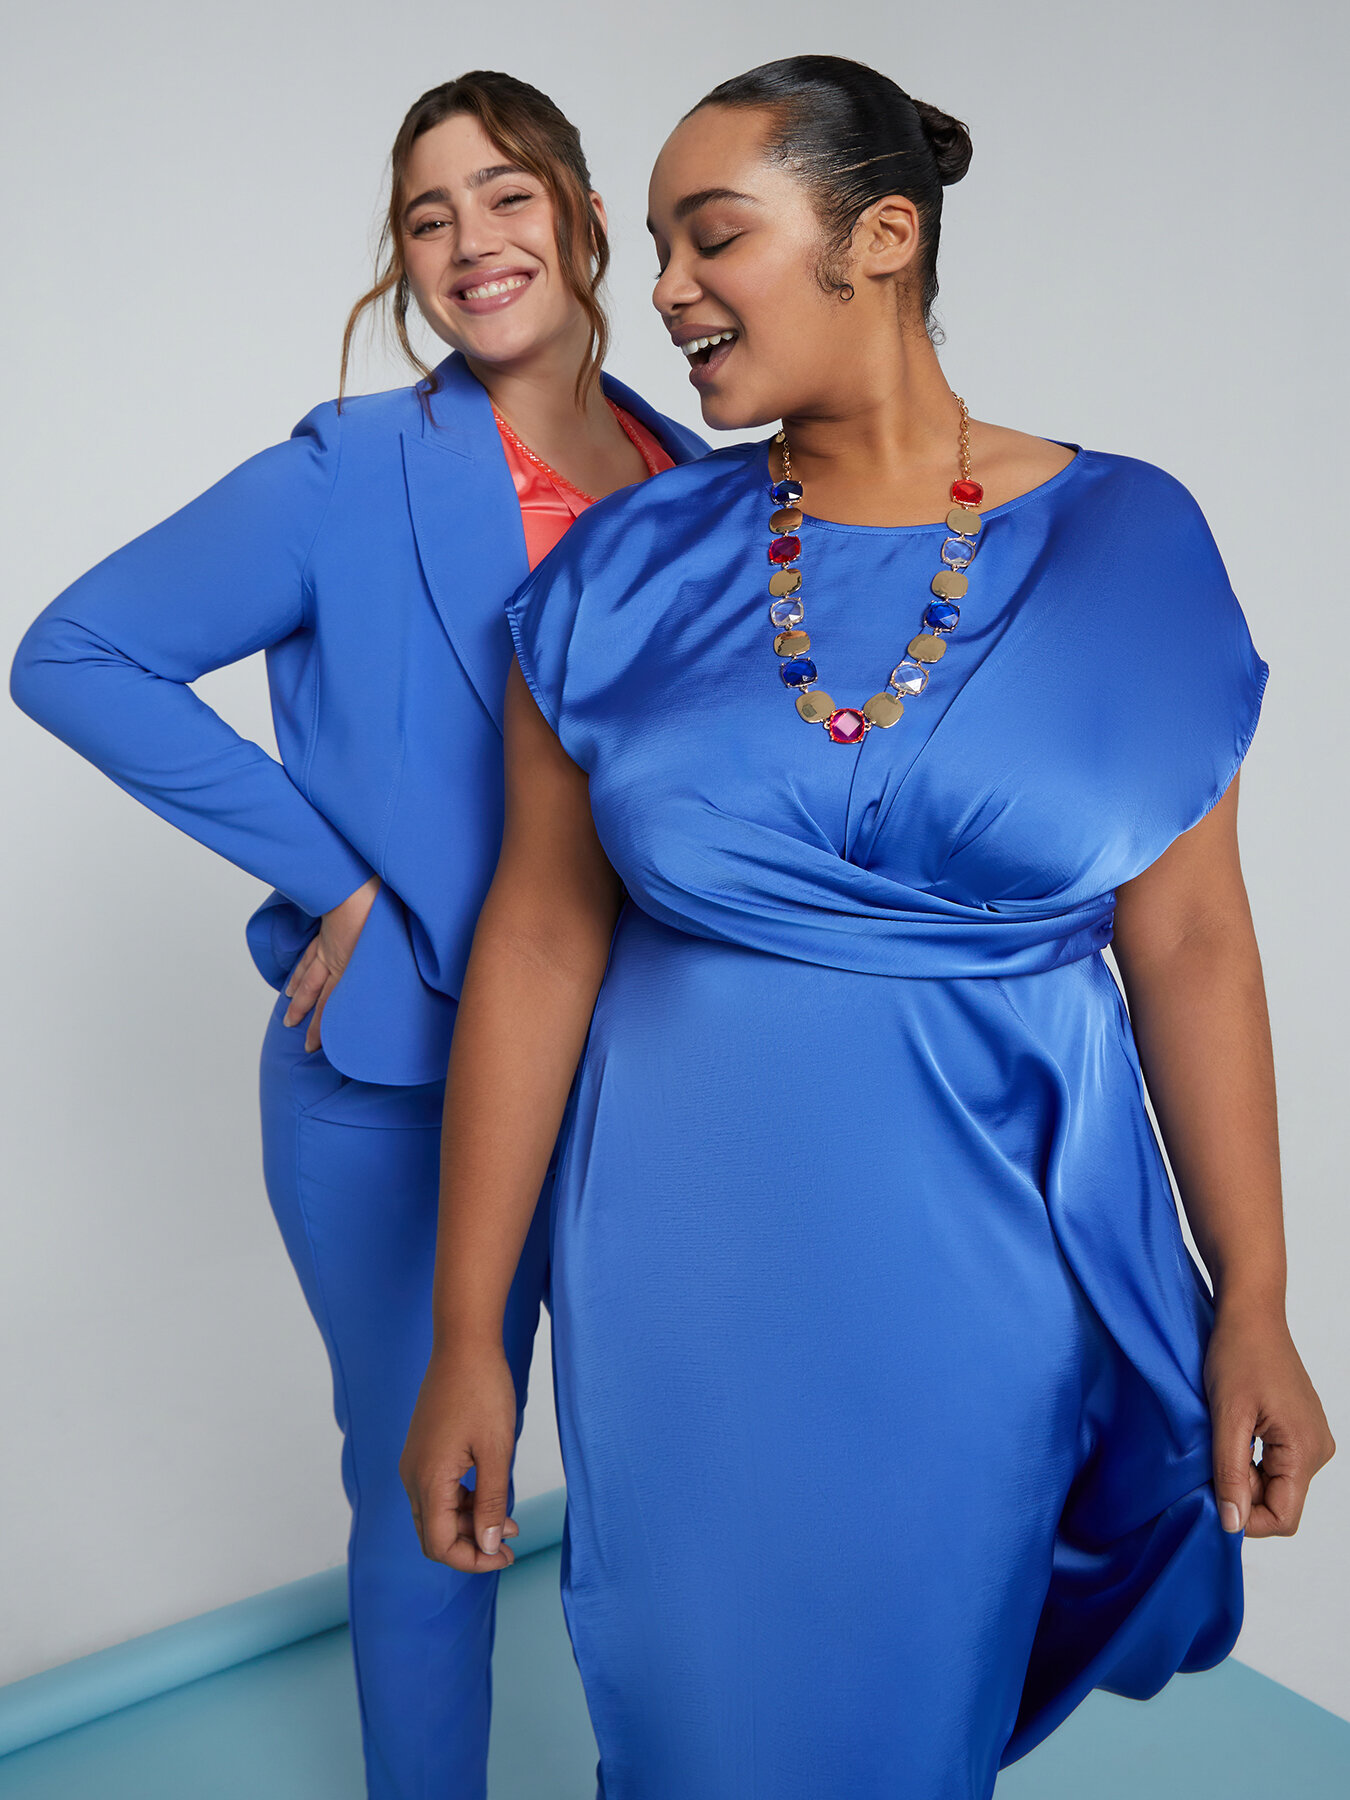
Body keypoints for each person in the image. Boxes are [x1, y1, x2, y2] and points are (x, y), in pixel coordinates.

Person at [399, 54, 1335, 1800]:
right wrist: (469, 1335)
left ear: (880, 237)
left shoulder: (1128, 538)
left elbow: (1193, 943)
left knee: (904, 1720)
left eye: (712, 237)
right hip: (674, 1270)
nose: (664, 288)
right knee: (691, 1720)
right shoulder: (616, 573)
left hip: (988, 1259)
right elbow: (536, 948)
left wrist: (1256, 1298)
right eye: (657, 248)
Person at [9, 70, 705, 1800]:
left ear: (586, 215)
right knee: (436, 1495)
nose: (471, 241)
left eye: (507, 195)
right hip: (399, 1077)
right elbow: (74, 653)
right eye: (426, 216)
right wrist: (338, 882)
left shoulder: (699, 482)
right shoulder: (347, 471)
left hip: (649, 1083)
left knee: (675, 1489)